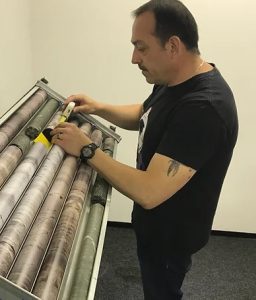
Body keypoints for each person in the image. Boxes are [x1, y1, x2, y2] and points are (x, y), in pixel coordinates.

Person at [51, 0, 238, 299]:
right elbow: (147, 114)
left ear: (173, 46)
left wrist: (87, 149)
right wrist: (98, 107)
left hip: (171, 237)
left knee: (161, 292)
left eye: (142, 47)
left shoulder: (204, 109)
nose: (134, 58)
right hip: (155, 227)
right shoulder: (175, 79)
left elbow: (150, 192)